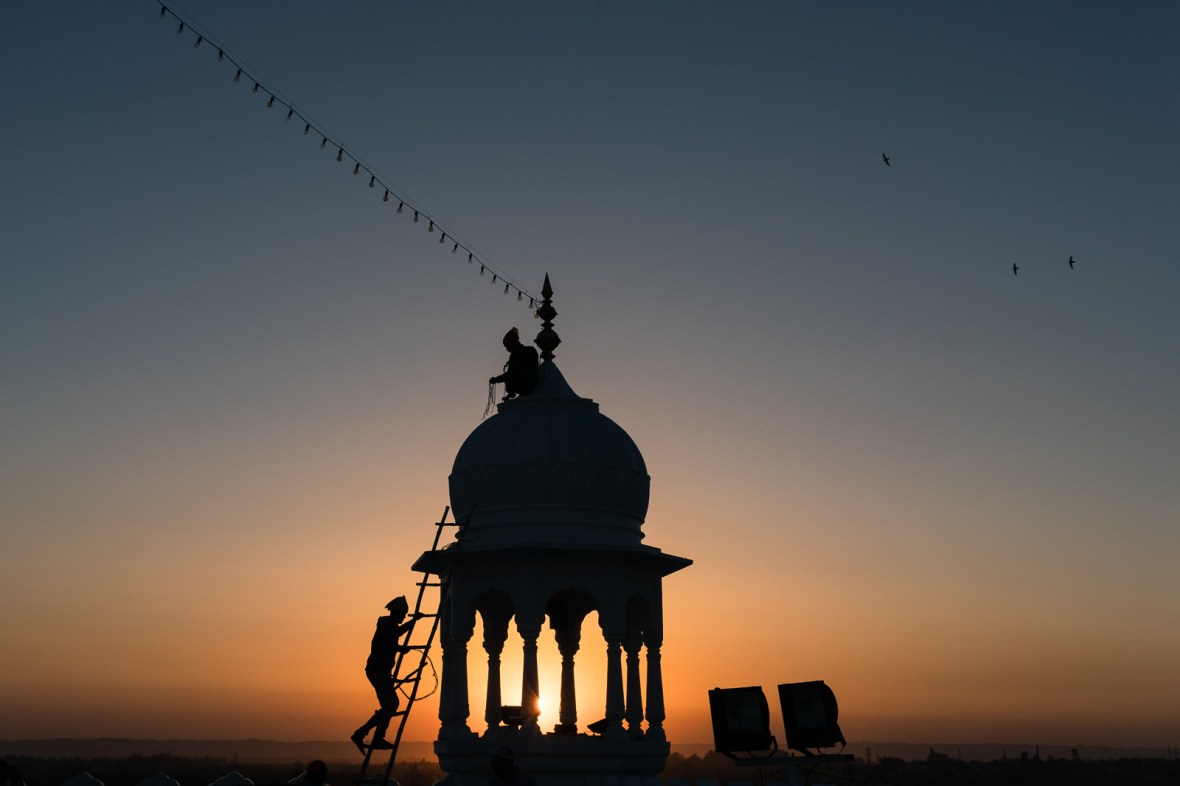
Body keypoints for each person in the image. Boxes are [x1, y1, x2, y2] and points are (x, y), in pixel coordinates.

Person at [351, 596, 419, 754]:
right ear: (397, 613)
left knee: (388, 706)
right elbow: (388, 643)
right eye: (403, 615)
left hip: (380, 671)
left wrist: (413, 623)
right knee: (391, 704)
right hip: (378, 671)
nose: (403, 617)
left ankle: (362, 733)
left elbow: (394, 637)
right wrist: (413, 623)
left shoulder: (388, 626)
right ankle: (374, 736)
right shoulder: (387, 625)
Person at [489, 328, 539, 400]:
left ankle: (513, 391)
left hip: (530, 380)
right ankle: (511, 392)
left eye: (508, 347)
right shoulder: (513, 356)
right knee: (510, 374)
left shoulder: (529, 350)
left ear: (514, 344)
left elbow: (532, 368)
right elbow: (509, 373)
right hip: (520, 380)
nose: (507, 349)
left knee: (517, 371)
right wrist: (496, 379)